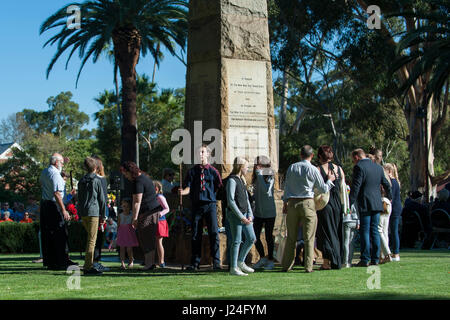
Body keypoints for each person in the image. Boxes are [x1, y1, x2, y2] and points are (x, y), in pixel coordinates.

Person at [281, 145, 336, 273]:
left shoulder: (292, 167)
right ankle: (308, 266)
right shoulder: (312, 169)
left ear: (300, 155)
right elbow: (322, 189)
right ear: (311, 156)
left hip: (292, 203)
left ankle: (287, 265)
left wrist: (285, 203)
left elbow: (286, 186)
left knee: (291, 237)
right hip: (307, 203)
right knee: (309, 237)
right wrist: (330, 180)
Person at [178, 144, 223, 271]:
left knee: (214, 233)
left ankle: (216, 262)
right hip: (196, 205)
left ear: (208, 154)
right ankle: (195, 263)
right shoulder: (192, 171)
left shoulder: (214, 172)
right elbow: (188, 188)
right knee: (195, 234)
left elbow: (219, 186)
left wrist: (212, 196)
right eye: (199, 152)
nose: (200, 154)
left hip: (210, 205)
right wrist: (183, 192)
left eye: (203, 152)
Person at [349, 148, 392, 267]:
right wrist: (390, 196)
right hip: (377, 203)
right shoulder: (378, 168)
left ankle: (365, 258)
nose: (354, 162)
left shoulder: (359, 167)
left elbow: (356, 187)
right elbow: (386, 184)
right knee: (375, 231)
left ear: (357, 157)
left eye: (353, 160)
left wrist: (350, 202)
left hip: (365, 203)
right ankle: (375, 258)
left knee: (365, 231)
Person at [120, 161, 163, 270]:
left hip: (148, 212)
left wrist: (134, 218)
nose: (126, 176)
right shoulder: (144, 178)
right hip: (153, 211)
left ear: (130, 171)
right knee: (148, 238)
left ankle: (149, 264)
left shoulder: (138, 181)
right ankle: (150, 263)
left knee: (146, 238)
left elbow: (136, 202)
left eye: (125, 173)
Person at [39, 153, 76, 270]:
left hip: (46, 204)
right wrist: (64, 210)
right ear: (56, 163)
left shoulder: (45, 172)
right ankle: (62, 260)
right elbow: (57, 194)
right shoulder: (55, 174)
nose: (63, 165)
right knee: (59, 233)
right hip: (55, 205)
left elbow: (44, 185)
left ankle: (51, 261)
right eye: (62, 163)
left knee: (48, 234)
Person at [315, 145, 345, 270]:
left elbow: (316, 188)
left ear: (319, 156)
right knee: (337, 232)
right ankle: (337, 260)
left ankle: (327, 262)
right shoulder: (339, 169)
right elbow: (342, 187)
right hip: (337, 203)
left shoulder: (317, 169)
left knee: (325, 233)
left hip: (324, 204)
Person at [226, 157, 257, 276]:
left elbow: (246, 199)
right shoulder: (232, 180)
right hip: (235, 215)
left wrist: (250, 214)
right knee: (237, 240)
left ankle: (240, 261)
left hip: (245, 214)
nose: (248, 169)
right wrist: (240, 216)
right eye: (246, 167)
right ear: (240, 167)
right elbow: (231, 200)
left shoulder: (242, 180)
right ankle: (233, 267)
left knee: (251, 238)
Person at [77, 157, 107, 275]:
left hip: (83, 212)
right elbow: (102, 200)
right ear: (95, 167)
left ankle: (88, 264)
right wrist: (103, 216)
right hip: (93, 212)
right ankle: (88, 266)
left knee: (90, 238)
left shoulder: (81, 181)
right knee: (92, 240)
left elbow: (79, 199)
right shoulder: (96, 180)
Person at [251, 155, 277, 270]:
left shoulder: (269, 175)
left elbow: (267, 191)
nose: (257, 166)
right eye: (256, 164)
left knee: (268, 237)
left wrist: (259, 174)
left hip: (269, 212)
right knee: (254, 236)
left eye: (259, 164)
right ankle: (262, 258)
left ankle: (271, 260)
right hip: (258, 212)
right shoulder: (256, 176)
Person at [384, 163, 402, 261]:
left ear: (389, 171)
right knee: (393, 230)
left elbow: (391, 196)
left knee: (394, 230)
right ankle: (394, 252)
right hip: (396, 207)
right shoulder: (395, 182)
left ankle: (396, 253)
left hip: (394, 208)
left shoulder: (392, 182)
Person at [116, 199, 139, 269]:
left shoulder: (132, 215)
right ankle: (122, 263)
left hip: (129, 233)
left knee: (129, 249)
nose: (126, 208)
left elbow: (134, 224)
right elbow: (118, 225)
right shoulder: (120, 215)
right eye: (124, 206)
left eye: (127, 206)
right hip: (122, 233)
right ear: (121, 207)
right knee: (122, 249)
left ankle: (131, 260)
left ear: (130, 207)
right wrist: (117, 234)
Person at [154, 181, 170, 268]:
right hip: (154, 221)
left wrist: (159, 214)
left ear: (156, 188)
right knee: (155, 242)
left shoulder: (159, 197)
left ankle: (161, 261)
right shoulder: (154, 197)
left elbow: (167, 208)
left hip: (160, 221)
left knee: (159, 241)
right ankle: (154, 261)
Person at [379, 188, 392, 263]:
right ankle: (383, 255)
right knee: (385, 231)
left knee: (379, 230)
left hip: (382, 201)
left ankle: (386, 253)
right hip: (388, 202)